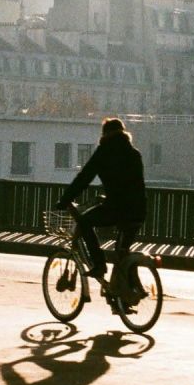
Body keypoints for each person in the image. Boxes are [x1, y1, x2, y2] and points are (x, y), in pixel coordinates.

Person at [55, 118, 146, 280]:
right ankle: (128, 292)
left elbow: (84, 178)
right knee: (122, 252)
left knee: (84, 222)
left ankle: (99, 264)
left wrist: (64, 199)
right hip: (138, 210)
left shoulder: (104, 152)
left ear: (105, 134)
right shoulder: (134, 153)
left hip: (116, 208)